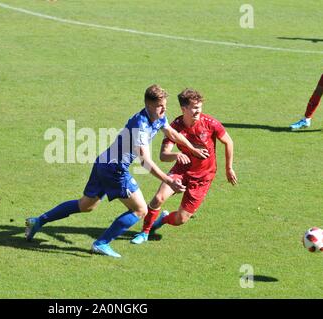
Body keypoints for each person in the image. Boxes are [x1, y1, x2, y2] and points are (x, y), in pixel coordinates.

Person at [25, 85, 210, 258]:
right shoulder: (141, 126)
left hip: (103, 162)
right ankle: (102, 243)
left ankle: (38, 221)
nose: (164, 110)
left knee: (86, 205)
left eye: (165, 106)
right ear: (148, 105)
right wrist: (168, 180)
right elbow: (145, 162)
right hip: (115, 169)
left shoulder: (159, 116)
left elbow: (172, 133)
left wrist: (191, 149)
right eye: (160, 106)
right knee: (140, 210)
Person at [130, 88, 237, 244]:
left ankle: (163, 219)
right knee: (158, 198)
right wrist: (177, 155)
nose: (198, 111)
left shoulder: (210, 123)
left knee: (181, 219)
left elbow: (228, 142)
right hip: (181, 171)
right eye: (194, 108)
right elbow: (163, 155)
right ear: (184, 109)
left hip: (203, 177)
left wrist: (228, 168)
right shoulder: (175, 126)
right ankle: (144, 232)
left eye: (199, 107)